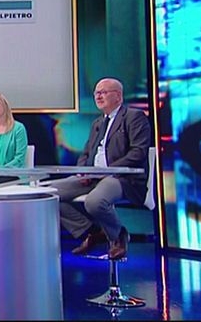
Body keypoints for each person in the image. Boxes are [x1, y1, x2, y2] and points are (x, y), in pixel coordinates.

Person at [48, 78, 151, 259]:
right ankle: (92, 232)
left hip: (122, 178)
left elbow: (138, 152)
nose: (98, 96)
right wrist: (82, 171)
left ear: (118, 96)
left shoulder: (134, 117)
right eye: (96, 93)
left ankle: (118, 235)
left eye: (103, 92)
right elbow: (86, 153)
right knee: (49, 195)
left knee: (94, 202)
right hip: (93, 176)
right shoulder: (98, 123)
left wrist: (107, 170)